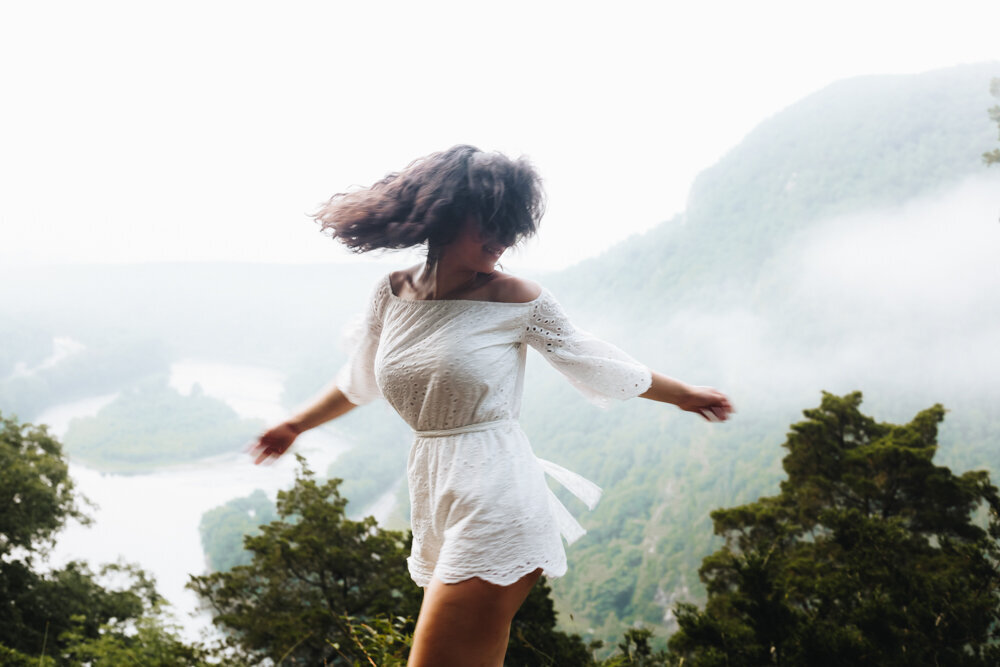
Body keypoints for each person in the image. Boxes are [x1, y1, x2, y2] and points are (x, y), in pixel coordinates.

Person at [249, 145, 733, 666]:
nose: (503, 240)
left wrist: (685, 395)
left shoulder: (517, 298)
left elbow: (593, 359)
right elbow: (358, 379)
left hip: (496, 494)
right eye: (492, 224)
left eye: (512, 228)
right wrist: (295, 425)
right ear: (444, 216)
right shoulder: (390, 294)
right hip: (437, 491)